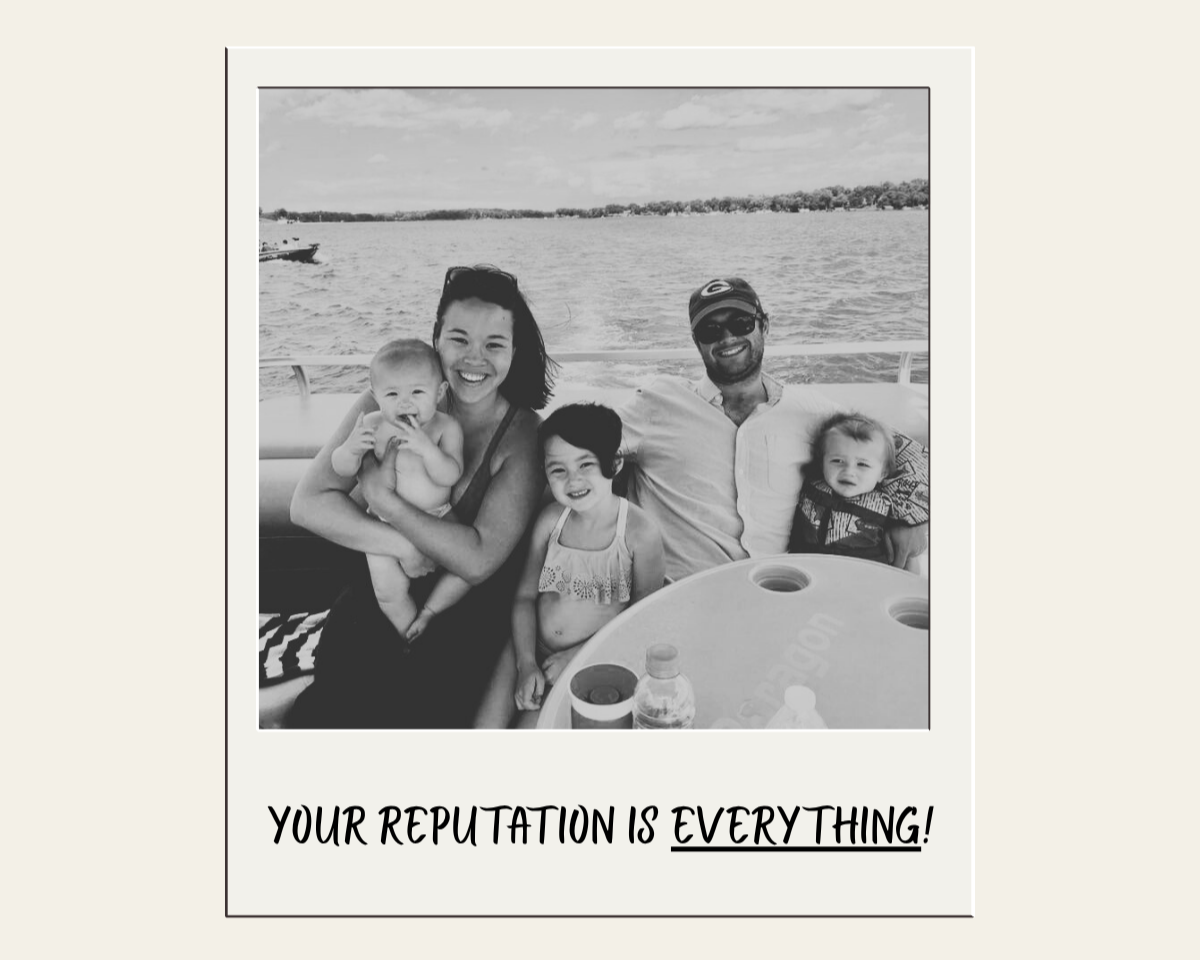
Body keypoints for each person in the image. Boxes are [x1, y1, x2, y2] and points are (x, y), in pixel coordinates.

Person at [286, 264, 554, 728]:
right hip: (377, 592)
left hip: (460, 618)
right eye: (459, 339)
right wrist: (400, 544)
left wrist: (385, 502)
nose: (475, 359)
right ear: (436, 337)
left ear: (515, 350)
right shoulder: (387, 400)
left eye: (494, 344)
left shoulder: (522, 434)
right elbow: (307, 504)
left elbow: (478, 559)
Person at [618, 276, 929, 582]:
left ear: (764, 326)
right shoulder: (657, 402)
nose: (726, 338)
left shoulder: (810, 412)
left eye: (741, 323)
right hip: (679, 593)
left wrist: (913, 518)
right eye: (710, 330)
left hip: (778, 591)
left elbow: (909, 453)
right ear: (696, 341)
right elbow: (580, 441)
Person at [478, 404, 665, 729]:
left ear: (615, 463)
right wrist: (525, 663)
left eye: (585, 464)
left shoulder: (639, 533)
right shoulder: (551, 521)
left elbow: (641, 617)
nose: (572, 480)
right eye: (558, 469)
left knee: (532, 730)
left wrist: (576, 658)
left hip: (592, 658)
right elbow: (524, 597)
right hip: (526, 645)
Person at [330, 338, 469, 641]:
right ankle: (410, 634)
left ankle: (432, 611)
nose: (405, 403)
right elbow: (341, 467)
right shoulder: (372, 424)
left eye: (417, 392)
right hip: (384, 525)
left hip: (438, 516)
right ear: (376, 396)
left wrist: (427, 450)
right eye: (392, 394)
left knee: (467, 566)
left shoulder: (446, 427)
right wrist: (351, 449)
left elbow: (450, 474)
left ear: (440, 392)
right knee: (387, 590)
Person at [787, 412, 926, 568]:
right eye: (837, 461)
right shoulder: (807, 485)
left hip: (864, 582)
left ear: (883, 473)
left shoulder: (891, 509)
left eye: (863, 465)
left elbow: (908, 557)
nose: (849, 471)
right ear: (822, 464)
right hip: (807, 574)